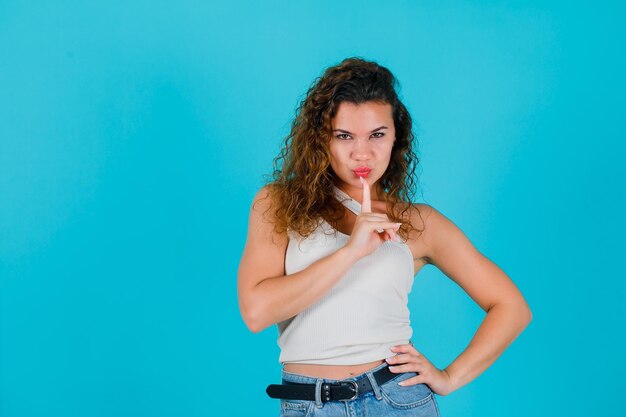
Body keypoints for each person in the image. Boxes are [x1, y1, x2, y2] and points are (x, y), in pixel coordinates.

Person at [237, 57, 532, 417]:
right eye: (344, 136)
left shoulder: (416, 222)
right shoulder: (279, 204)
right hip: (309, 404)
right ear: (321, 140)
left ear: (397, 137)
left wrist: (449, 377)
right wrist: (351, 252)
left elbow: (512, 307)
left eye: (377, 134)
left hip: (396, 401)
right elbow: (256, 312)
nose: (362, 153)